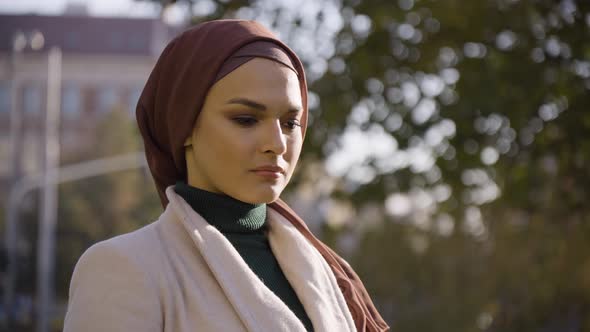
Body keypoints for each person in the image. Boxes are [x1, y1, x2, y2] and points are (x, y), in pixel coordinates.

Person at [63, 19, 389, 332]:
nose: (277, 144)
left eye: (291, 123)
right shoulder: (125, 268)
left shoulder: (326, 272)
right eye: (246, 119)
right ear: (185, 125)